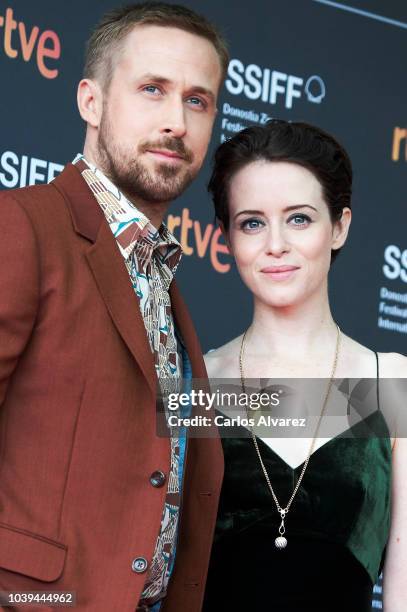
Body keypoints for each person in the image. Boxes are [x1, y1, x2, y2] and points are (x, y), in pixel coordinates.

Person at [0, 3, 228, 610]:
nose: (176, 121)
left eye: (198, 100)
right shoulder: (23, 227)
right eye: (152, 89)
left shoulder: (164, 278)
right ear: (91, 102)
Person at [202, 120, 407, 611]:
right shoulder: (198, 383)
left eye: (298, 218)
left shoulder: (389, 383)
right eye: (252, 222)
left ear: (339, 227)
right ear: (228, 239)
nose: (276, 244)